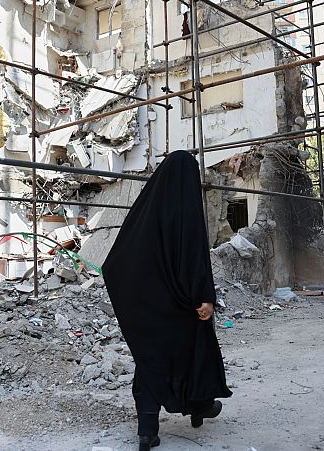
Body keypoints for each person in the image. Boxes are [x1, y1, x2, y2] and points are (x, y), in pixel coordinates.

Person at [103, 151, 232, 450]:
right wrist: (204, 297)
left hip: (148, 308)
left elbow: (115, 262)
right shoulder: (186, 208)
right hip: (182, 305)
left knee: (151, 360)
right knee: (195, 348)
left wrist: (137, 299)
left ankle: (147, 430)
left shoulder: (146, 210)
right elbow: (193, 255)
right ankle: (199, 406)